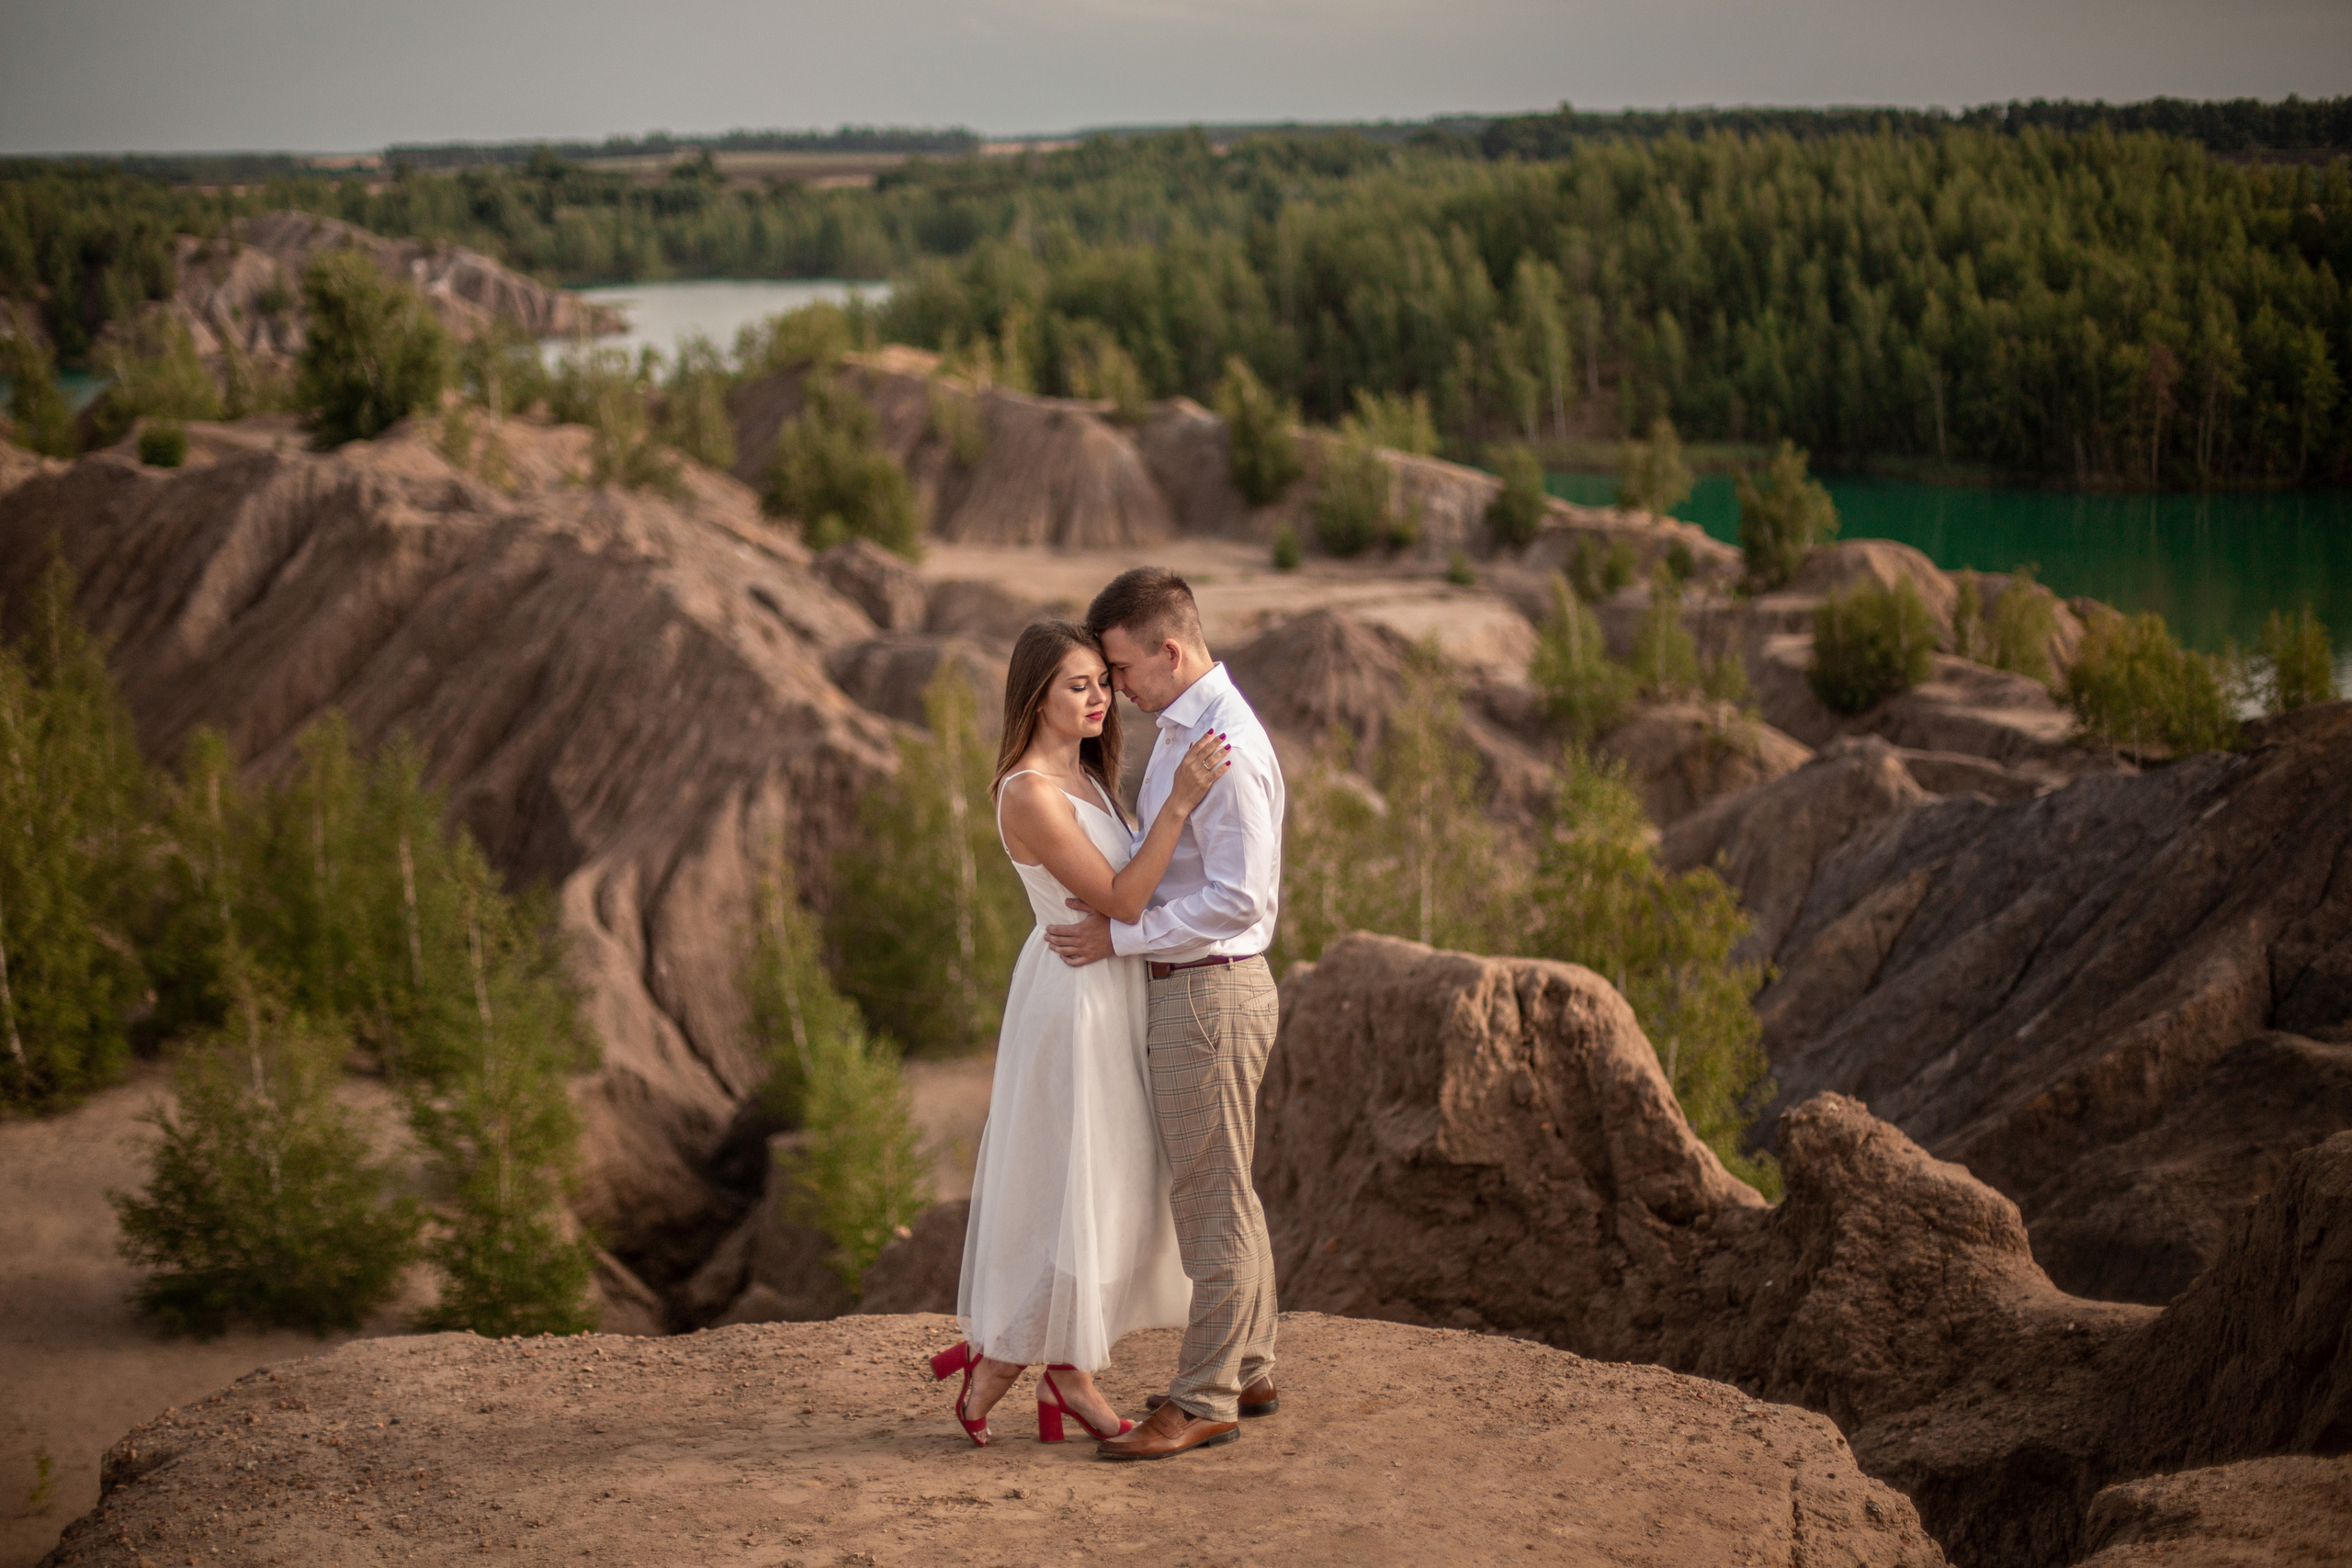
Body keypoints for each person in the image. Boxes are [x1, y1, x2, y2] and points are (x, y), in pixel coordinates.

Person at [926, 618, 1233, 1446]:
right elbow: (1123, 899)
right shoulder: (1028, 790)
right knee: (1079, 1191)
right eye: (1079, 684)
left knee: (1114, 1187)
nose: (1100, 697)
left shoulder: (1090, 776)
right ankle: (1021, 1366)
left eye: (1104, 680)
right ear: (1036, 694)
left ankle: (1053, 1369)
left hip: (1114, 985)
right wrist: (1180, 801)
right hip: (1076, 998)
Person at [1045, 567, 1287, 1461]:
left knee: (1210, 1198)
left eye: (1120, 669)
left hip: (1208, 988)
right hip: (1200, 987)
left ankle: (1205, 1397)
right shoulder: (1187, 728)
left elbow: (1239, 900)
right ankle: (1248, 1365)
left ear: (1170, 651)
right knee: (1226, 1185)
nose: (1115, 689)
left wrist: (1125, 939)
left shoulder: (1223, 741)